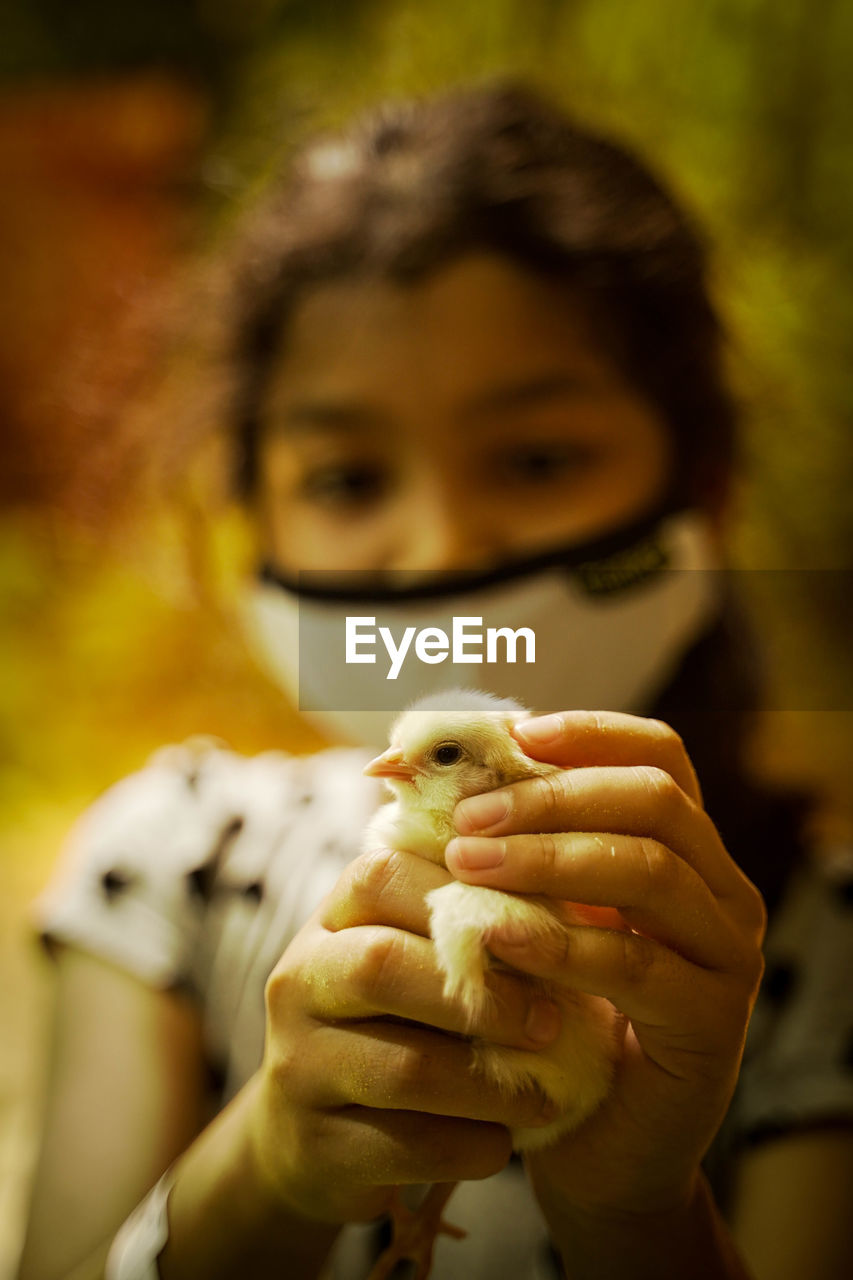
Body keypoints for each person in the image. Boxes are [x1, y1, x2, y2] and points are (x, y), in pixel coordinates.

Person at [15, 82, 853, 1280]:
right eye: (351, 480)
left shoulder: (811, 950)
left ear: (702, 492)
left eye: (538, 457)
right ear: (253, 520)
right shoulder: (165, 870)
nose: (444, 548)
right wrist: (271, 1160)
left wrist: (632, 1206)